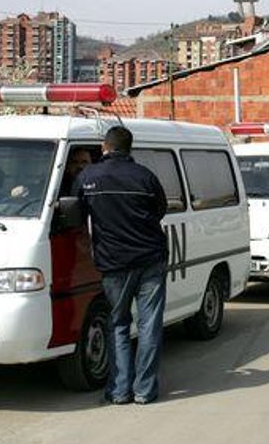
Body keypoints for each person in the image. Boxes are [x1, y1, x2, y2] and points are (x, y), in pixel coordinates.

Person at [75, 126, 168, 405]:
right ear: (129, 148)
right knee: (150, 325)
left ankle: (119, 390)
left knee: (118, 324)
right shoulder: (145, 176)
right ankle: (144, 390)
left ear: (104, 147)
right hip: (151, 258)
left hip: (113, 264)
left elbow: (76, 214)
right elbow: (159, 211)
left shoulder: (88, 177)